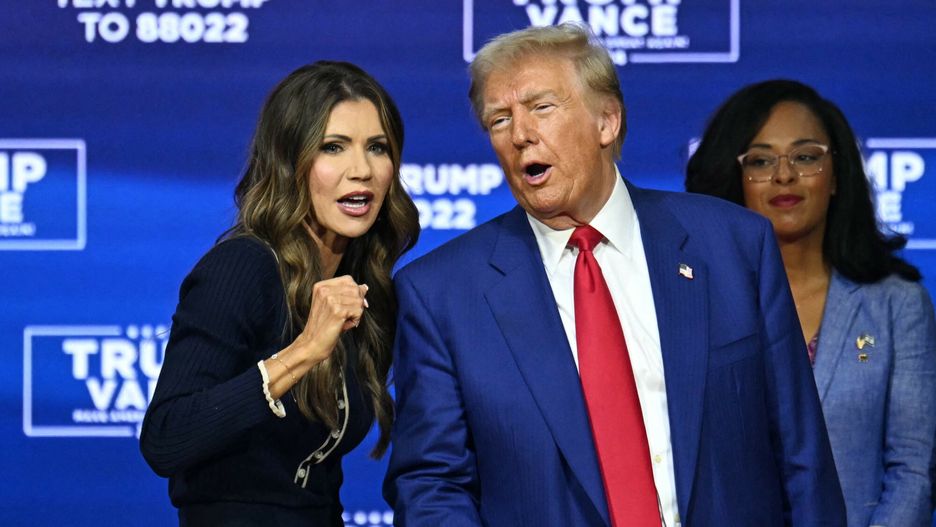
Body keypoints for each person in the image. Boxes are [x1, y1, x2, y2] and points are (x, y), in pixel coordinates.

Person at [384, 23, 845, 526]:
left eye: (541, 107)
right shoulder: (442, 294)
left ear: (606, 121)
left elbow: (802, 459)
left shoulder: (734, 248)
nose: (519, 135)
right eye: (499, 120)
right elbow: (433, 486)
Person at [140, 61, 419, 525]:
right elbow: (166, 439)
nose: (362, 170)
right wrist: (304, 351)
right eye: (333, 147)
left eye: (377, 148)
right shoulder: (244, 267)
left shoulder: (368, 286)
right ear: (290, 162)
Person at [686, 79, 936, 527]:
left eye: (805, 156)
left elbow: (914, 470)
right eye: (760, 160)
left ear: (837, 175)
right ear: (734, 179)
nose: (784, 175)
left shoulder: (898, 306)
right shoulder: (694, 306)